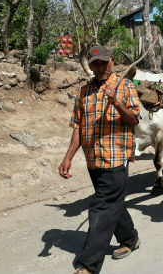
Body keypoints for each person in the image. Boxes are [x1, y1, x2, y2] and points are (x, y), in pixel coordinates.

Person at [59, 45, 141, 274]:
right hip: (93, 160)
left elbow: (134, 120)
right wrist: (68, 158)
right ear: (90, 66)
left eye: (104, 63)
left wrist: (116, 103)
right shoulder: (83, 92)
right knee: (113, 203)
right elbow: (78, 127)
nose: (100, 68)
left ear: (111, 62)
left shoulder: (124, 87)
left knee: (101, 208)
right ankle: (130, 238)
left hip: (116, 158)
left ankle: (88, 264)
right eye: (95, 63)